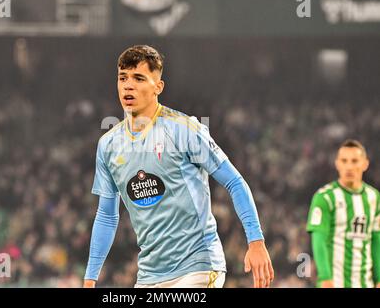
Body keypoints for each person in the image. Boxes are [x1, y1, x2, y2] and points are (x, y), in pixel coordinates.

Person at [83, 45, 274, 288]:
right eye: (123, 78)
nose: (128, 85)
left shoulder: (184, 130)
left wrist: (255, 241)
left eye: (139, 78)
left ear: (158, 87)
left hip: (198, 267)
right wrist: (90, 279)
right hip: (149, 276)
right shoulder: (108, 145)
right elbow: (107, 216)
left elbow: (234, 181)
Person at [307, 139, 380, 288]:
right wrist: (326, 278)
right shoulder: (325, 197)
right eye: (344, 161)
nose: (349, 166)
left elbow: (376, 241)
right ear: (337, 163)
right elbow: (318, 240)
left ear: (365, 164)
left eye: (354, 161)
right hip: (334, 283)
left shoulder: (374, 198)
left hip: (365, 283)